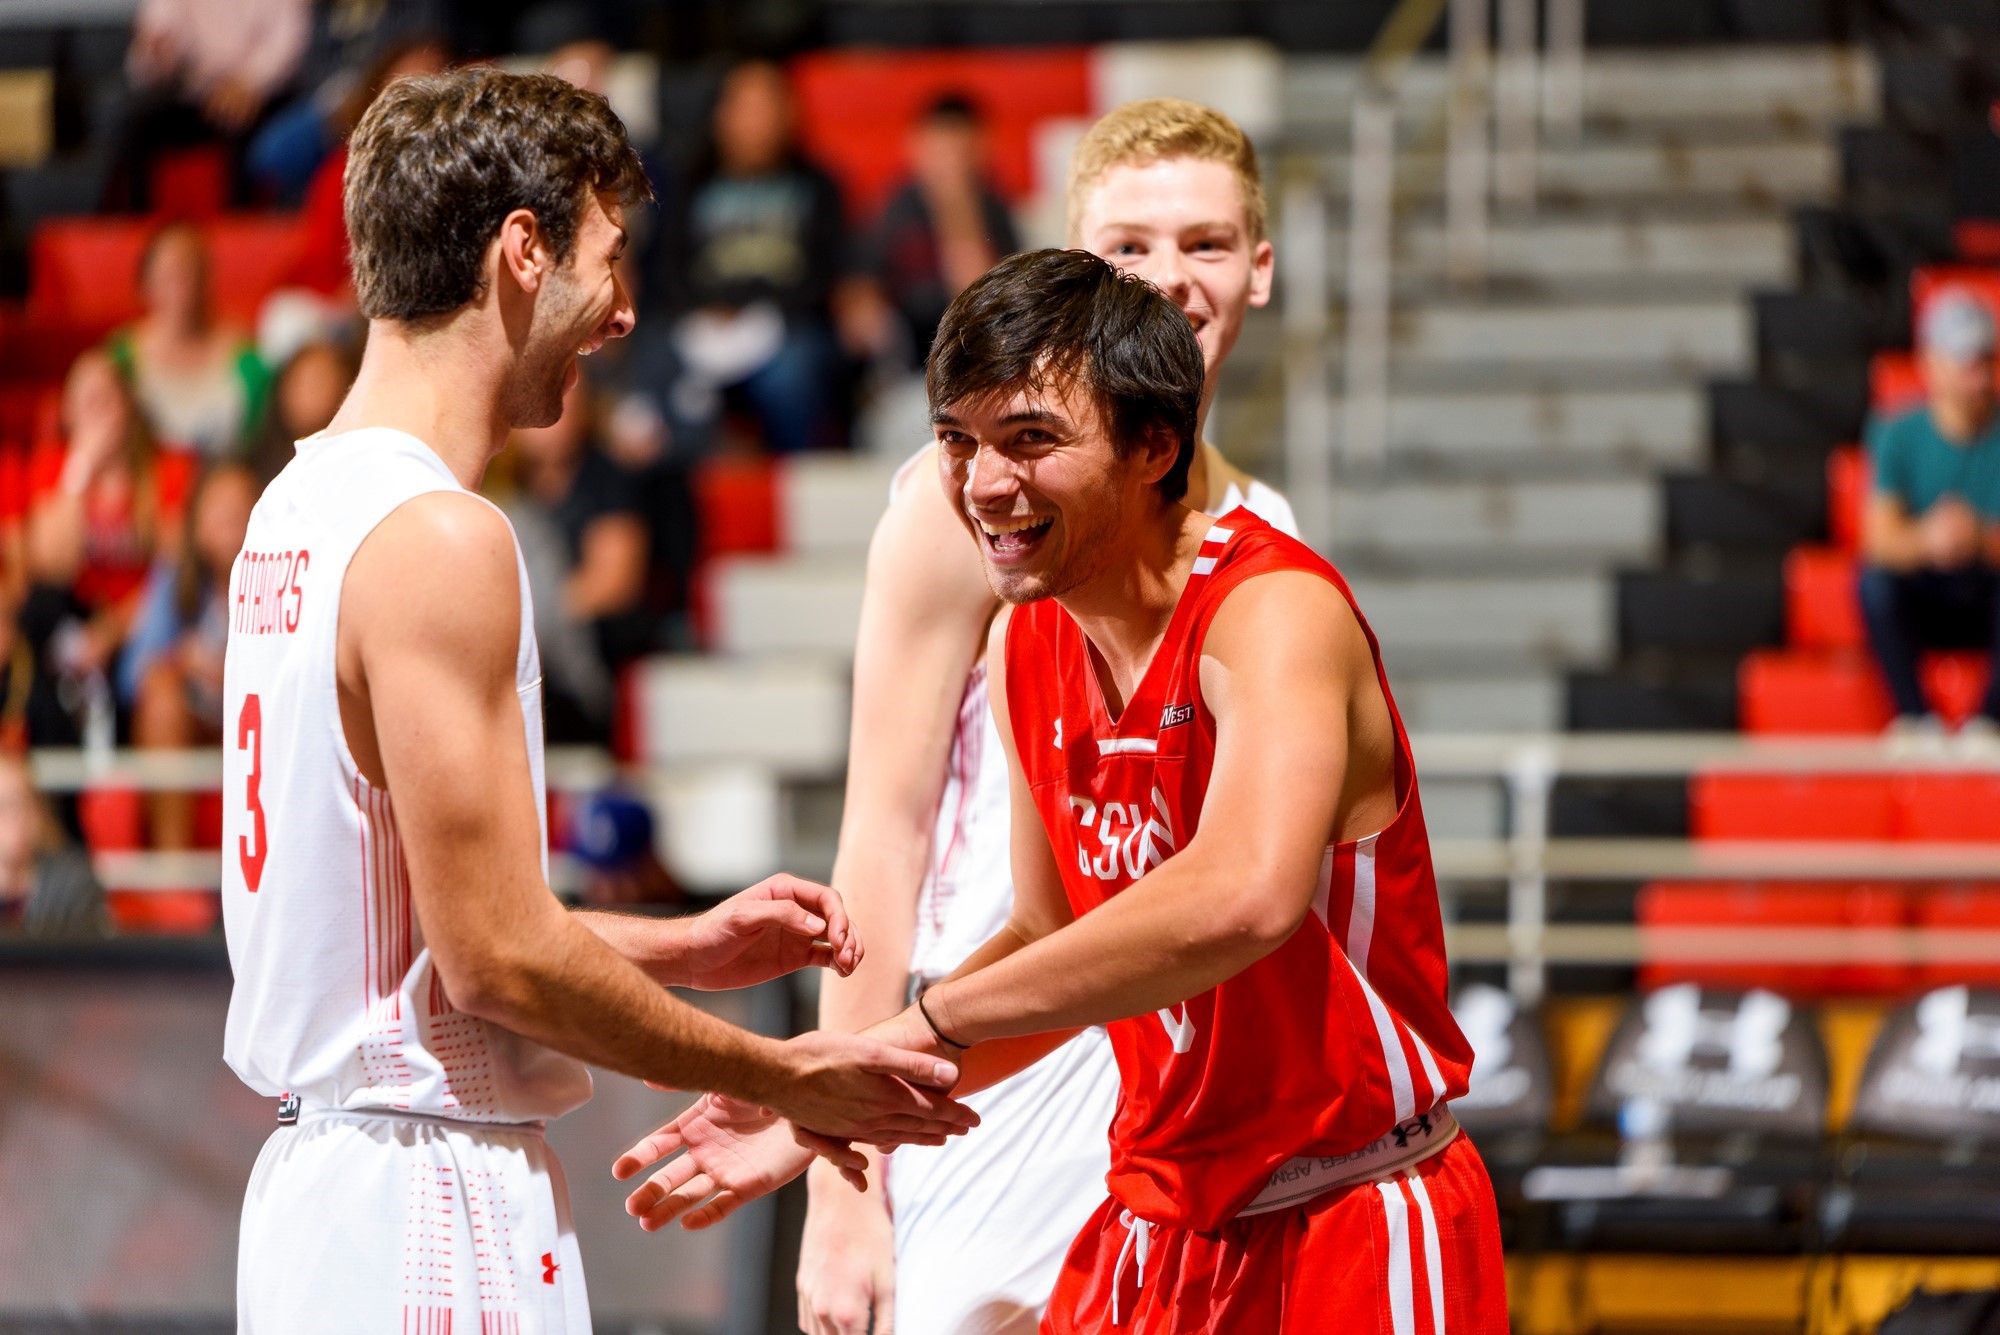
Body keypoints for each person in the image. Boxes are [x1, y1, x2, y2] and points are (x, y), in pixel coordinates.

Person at [619, 251, 1509, 1331]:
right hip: (1159, 1219)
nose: (985, 483)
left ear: (1153, 445)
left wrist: (925, 1024)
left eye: (1030, 440)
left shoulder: (1275, 611)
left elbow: (1243, 899)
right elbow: (1045, 932)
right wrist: (839, 1098)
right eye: (958, 441)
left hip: (1350, 1206)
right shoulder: (1024, 642)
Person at [219, 68, 974, 1334]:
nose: (623, 312)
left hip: (324, 1193)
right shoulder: (436, 538)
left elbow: (412, 932)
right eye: (608, 259)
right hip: (420, 1203)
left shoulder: (290, 509)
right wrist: (785, 1072)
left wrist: (681, 948)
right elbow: (496, 962)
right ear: (524, 252)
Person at [790, 98, 1298, 1335]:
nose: (1168, 279)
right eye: (1127, 247)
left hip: (1183, 1071)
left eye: (1205, 244)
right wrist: (840, 1183)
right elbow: (882, 833)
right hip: (998, 1045)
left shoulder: (1269, 531)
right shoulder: (964, 501)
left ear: (1261, 269)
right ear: (1073, 264)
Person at [653, 58, 849, 455]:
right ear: (720, 116)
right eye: (745, 106)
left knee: (793, 372)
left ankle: (797, 471)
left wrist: (749, 307)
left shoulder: (818, 186)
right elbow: (669, 268)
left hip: (787, 326)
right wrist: (709, 309)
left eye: (768, 105)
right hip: (703, 321)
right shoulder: (690, 184)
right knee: (655, 362)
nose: (757, 120)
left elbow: (825, 274)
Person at [1861, 288, 2000, 745]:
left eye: (1985, 360)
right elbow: (1879, 541)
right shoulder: (1897, 433)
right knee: (1874, 583)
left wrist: (1978, 538)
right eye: (1966, 361)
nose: (1978, 376)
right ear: (1932, 364)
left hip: (1987, 594)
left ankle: (1990, 724)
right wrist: (1929, 539)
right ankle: (1916, 721)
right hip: (1927, 595)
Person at [500, 374, 650, 744]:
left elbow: (613, 583)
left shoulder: (606, 479)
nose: (553, 417)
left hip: (579, 657)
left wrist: (528, 615)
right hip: (519, 649)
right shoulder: (499, 481)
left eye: (568, 404)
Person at [126, 461, 257, 850]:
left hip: (259, 716)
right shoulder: (176, 578)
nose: (229, 520)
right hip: (197, 723)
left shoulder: (279, 575)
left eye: (240, 508)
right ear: (196, 523)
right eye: (217, 509)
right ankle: (173, 871)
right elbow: (133, 674)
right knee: (161, 696)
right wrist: (182, 661)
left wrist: (233, 673)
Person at [849, 92, 1022, 372]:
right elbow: (860, 285)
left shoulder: (993, 209)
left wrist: (958, 210)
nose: (949, 164)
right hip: (908, 355)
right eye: (940, 151)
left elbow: (979, 299)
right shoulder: (895, 208)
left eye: (960, 153)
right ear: (917, 148)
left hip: (973, 357)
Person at [106, 222, 273, 459]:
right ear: (145, 283)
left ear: (207, 278)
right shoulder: (121, 358)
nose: (181, 288)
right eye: (169, 274)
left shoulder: (246, 357)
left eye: (190, 271)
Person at [0, 753, 108, 940]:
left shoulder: (73, 883)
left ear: (39, 813)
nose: (17, 818)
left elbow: (90, 960)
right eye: (4, 806)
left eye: (25, 805)